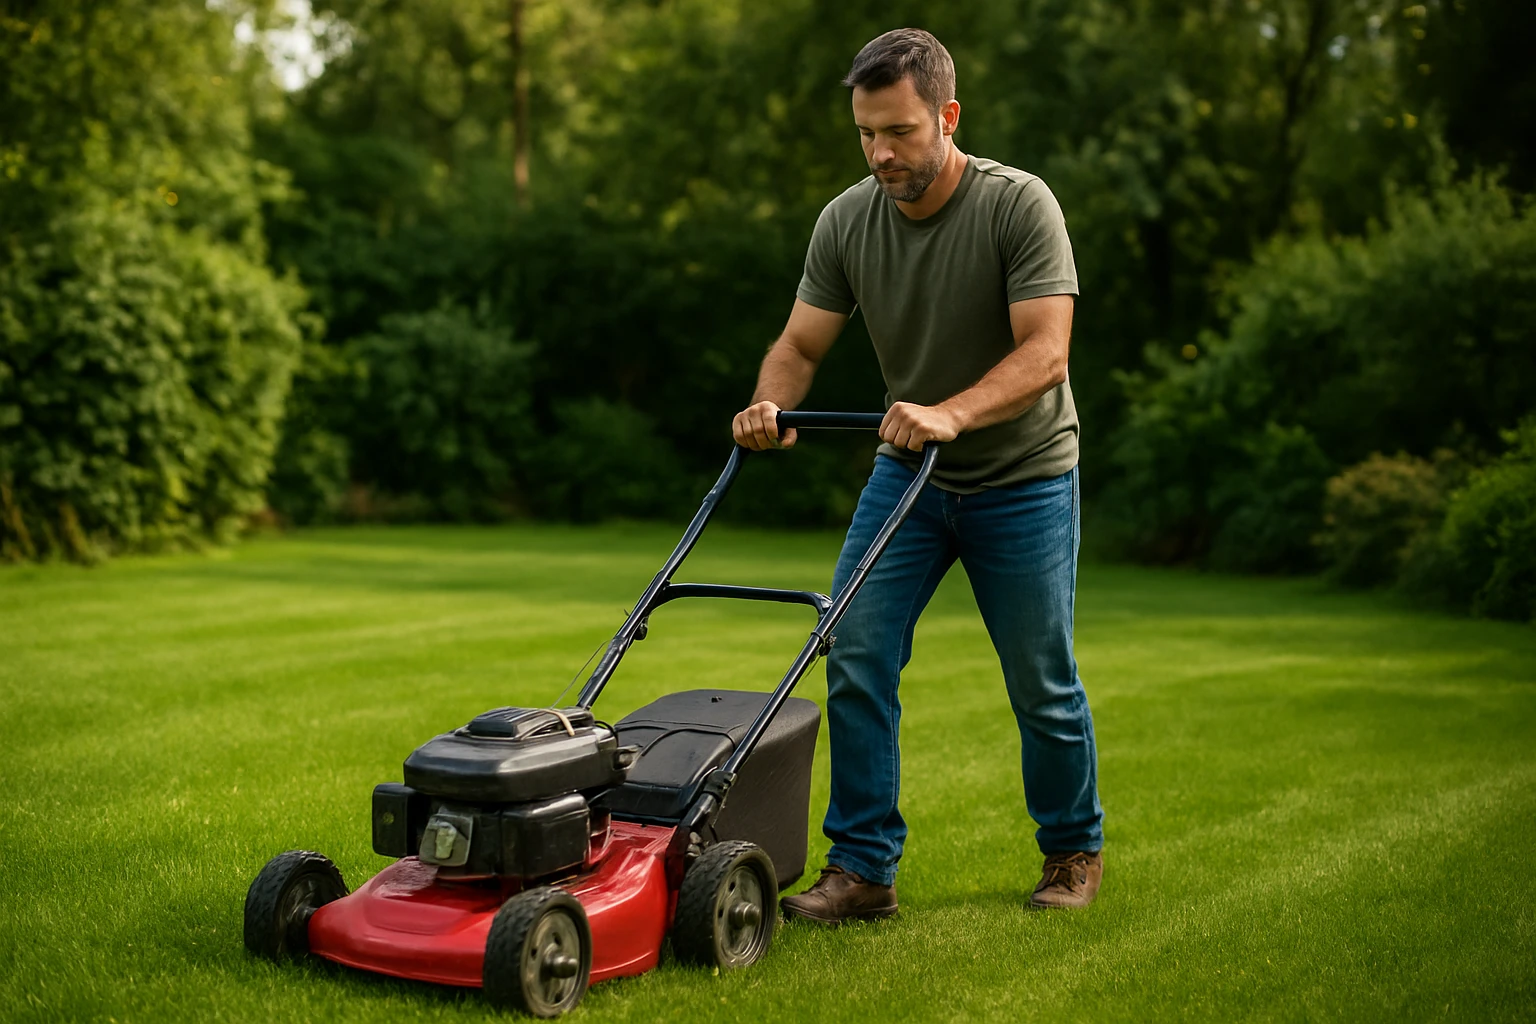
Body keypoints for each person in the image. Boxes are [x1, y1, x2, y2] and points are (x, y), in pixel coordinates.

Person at [731, 27, 1104, 922]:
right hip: (909, 479)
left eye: (899, 131)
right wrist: (766, 404)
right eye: (866, 133)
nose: (881, 152)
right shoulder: (847, 219)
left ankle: (1070, 852)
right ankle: (862, 871)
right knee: (855, 650)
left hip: (1024, 475)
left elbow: (1046, 354)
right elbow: (800, 342)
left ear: (948, 115)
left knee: (1039, 677)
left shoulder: (1018, 206)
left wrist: (952, 411)